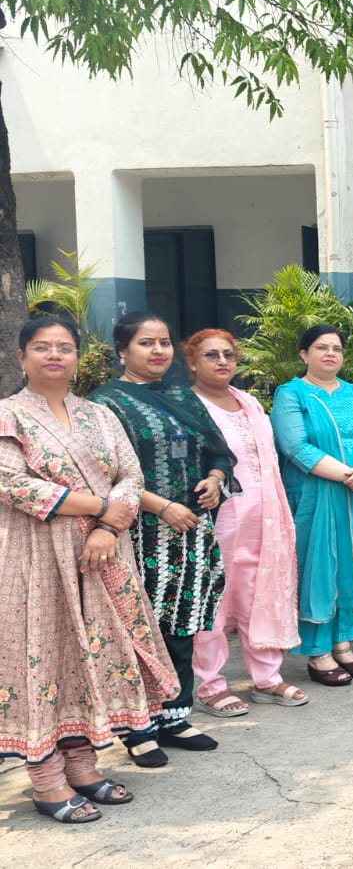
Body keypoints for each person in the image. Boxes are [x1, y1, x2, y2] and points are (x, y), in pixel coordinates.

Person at [0, 317, 178, 824]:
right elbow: (12, 483)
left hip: (102, 555)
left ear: (78, 357)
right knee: (45, 659)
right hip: (37, 557)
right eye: (42, 347)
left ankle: (82, 767)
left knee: (90, 659)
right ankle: (46, 780)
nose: (54, 355)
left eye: (65, 347)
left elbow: (131, 476)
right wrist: (99, 508)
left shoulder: (99, 415)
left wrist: (105, 528)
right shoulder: (8, 415)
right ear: (22, 357)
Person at [91, 312, 235, 768]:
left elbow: (219, 451)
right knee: (139, 627)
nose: (158, 351)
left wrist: (215, 479)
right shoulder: (105, 404)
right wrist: (162, 507)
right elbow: (106, 474)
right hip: (138, 533)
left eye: (164, 342)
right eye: (146, 343)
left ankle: (175, 716)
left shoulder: (182, 396)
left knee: (182, 621)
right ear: (122, 351)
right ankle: (139, 728)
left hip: (190, 529)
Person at [187, 329, 308, 711]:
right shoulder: (188, 406)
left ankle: (267, 679)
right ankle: (210, 685)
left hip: (264, 517)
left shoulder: (249, 402)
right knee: (215, 597)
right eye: (211, 355)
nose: (222, 361)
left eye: (228, 354)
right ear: (192, 363)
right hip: (218, 519)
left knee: (261, 592)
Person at [271, 324, 353, 686]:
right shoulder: (291, 394)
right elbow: (296, 447)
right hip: (316, 495)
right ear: (304, 354)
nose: (330, 354)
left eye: (336, 348)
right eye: (322, 347)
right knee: (318, 567)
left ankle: (343, 643)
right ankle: (318, 651)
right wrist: (351, 476)